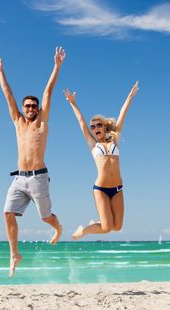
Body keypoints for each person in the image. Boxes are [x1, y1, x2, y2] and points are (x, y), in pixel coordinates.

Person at [0, 47, 65, 276]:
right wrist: (0, 71)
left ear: (38, 109)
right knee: (6, 213)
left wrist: (57, 66)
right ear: (23, 109)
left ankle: (58, 228)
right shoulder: (18, 121)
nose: (31, 108)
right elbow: (7, 94)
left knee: (46, 217)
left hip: (39, 177)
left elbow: (49, 91)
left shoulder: (42, 122)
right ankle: (14, 254)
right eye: (28, 106)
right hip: (19, 179)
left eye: (34, 106)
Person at [64, 81, 138, 240]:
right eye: (93, 127)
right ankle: (84, 230)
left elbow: (122, 115)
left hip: (118, 188)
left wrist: (130, 97)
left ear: (104, 127)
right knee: (106, 228)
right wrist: (73, 103)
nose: (95, 128)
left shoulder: (114, 141)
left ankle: (94, 222)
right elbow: (81, 123)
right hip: (101, 189)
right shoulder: (93, 145)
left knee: (117, 227)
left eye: (98, 125)